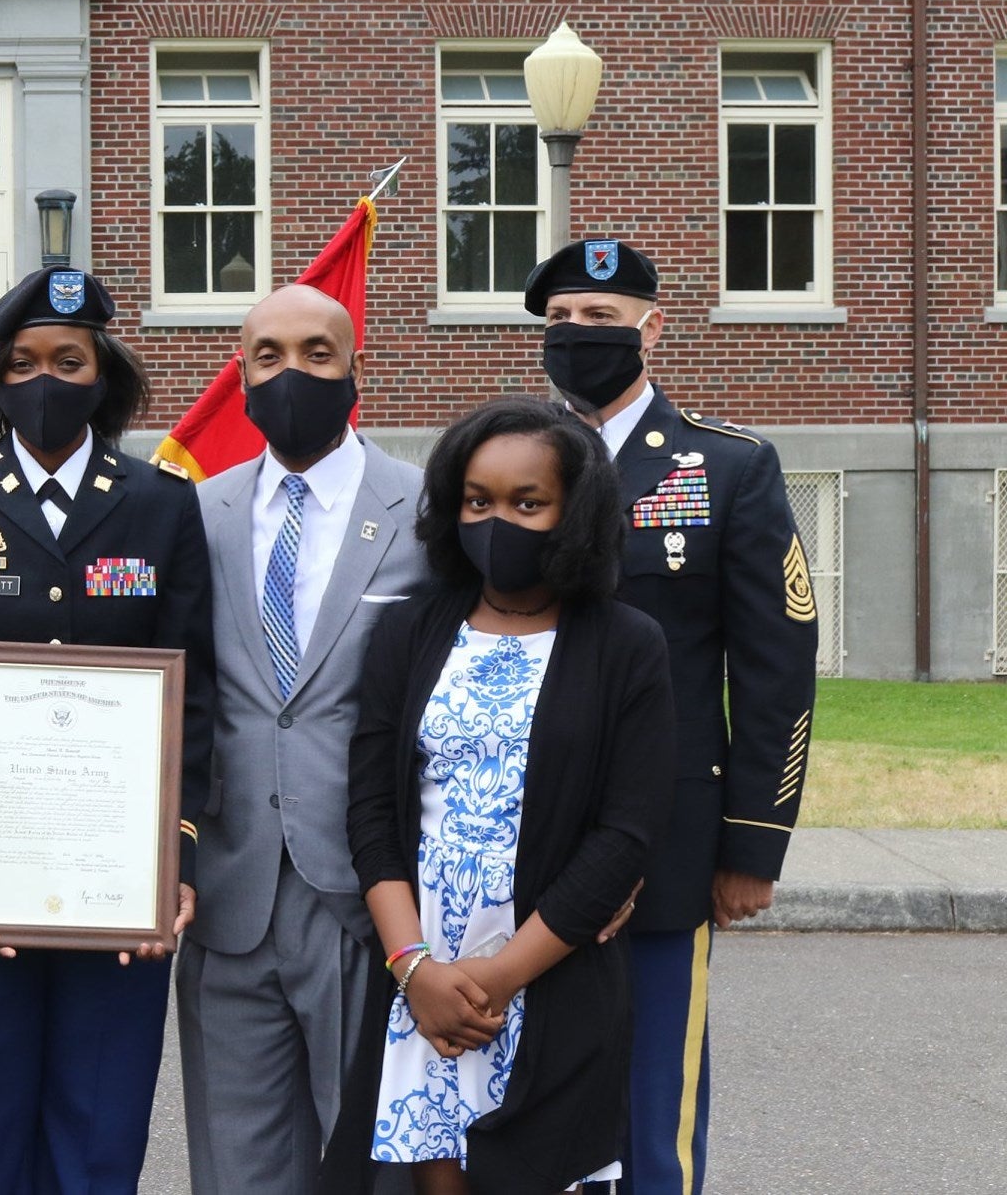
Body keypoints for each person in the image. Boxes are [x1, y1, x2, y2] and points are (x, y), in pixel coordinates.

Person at [0, 265, 215, 1195]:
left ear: (103, 374)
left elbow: (192, 697)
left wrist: (173, 858)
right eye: (22, 363)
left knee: (102, 1136)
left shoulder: (161, 501)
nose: (45, 380)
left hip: (118, 888)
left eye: (69, 360)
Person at [525, 239, 820, 1195]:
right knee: (529, 1112)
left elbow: (776, 666)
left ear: (651, 328)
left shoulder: (728, 465)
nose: (578, 334)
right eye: (560, 319)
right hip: (524, 835)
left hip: (667, 844)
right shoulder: (513, 459)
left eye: (601, 319)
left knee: (655, 1118)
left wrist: (753, 841)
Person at [346, 396, 676, 1193]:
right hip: (424, 979)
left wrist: (496, 979)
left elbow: (625, 835)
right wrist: (415, 971)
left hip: (550, 975)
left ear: (575, 513)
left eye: (528, 503)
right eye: (478, 501)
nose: (498, 521)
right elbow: (372, 810)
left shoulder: (628, 644)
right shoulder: (408, 633)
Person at [177, 284, 432, 1195]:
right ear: (242, 375)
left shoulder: (428, 508)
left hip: (368, 894)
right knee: (238, 1166)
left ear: (357, 367)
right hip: (229, 896)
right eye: (269, 355)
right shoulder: (195, 512)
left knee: (377, 1164)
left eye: (317, 353)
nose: (293, 372)